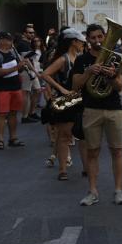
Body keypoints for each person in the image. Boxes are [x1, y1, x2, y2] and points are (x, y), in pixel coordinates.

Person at [71, 23, 122, 206]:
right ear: (87, 40)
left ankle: (118, 190)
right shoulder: (82, 60)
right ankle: (93, 191)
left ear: (105, 37)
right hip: (91, 108)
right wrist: (89, 71)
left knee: (117, 151)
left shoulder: (116, 57)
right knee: (92, 152)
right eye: (93, 38)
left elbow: (119, 87)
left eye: (100, 37)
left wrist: (111, 76)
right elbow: (75, 86)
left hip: (114, 108)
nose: (97, 41)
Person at [40, 29, 85, 179]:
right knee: (64, 136)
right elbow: (45, 74)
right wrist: (61, 89)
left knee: (82, 135)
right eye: (80, 41)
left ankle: (85, 168)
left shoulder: (79, 57)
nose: (83, 44)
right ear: (74, 42)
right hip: (66, 100)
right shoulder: (63, 59)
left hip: (79, 99)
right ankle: (62, 170)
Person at [0, 31, 31, 149]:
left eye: (11, 39)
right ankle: (0, 140)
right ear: (1, 40)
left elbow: (19, 70)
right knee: (2, 114)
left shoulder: (13, 53)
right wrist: (17, 67)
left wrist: (22, 66)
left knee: (13, 113)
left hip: (16, 87)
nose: (11, 41)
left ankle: (13, 138)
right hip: (3, 88)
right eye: (8, 39)